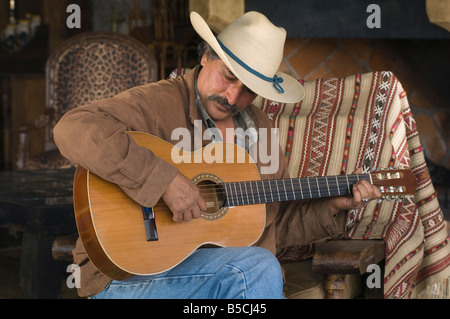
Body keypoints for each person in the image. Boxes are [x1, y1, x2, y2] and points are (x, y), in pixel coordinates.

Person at [53, 11, 381, 299]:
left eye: (249, 89)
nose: (232, 96)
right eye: (228, 76)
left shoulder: (260, 127)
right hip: (128, 277)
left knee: (255, 269)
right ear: (206, 56)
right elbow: (72, 129)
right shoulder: (158, 102)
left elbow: (274, 222)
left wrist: (334, 207)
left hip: (224, 277)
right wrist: (164, 181)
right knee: (257, 269)